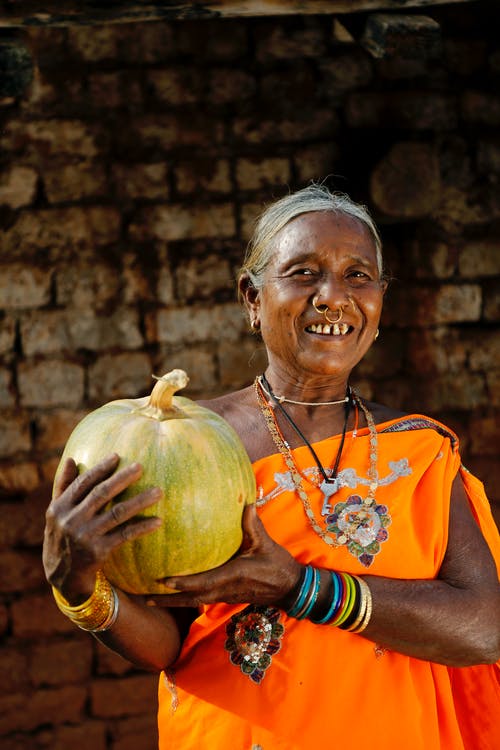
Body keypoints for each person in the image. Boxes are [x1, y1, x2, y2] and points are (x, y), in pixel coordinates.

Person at [43, 184, 500, 749]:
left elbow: (484, 627)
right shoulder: (186, 443)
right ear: (252, 299)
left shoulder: (420, 453)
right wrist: (78, 586)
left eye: (359, 276)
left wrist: (299, 587)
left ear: (380, 303)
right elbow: (168, 641)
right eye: (304, 272)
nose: (334, 297)